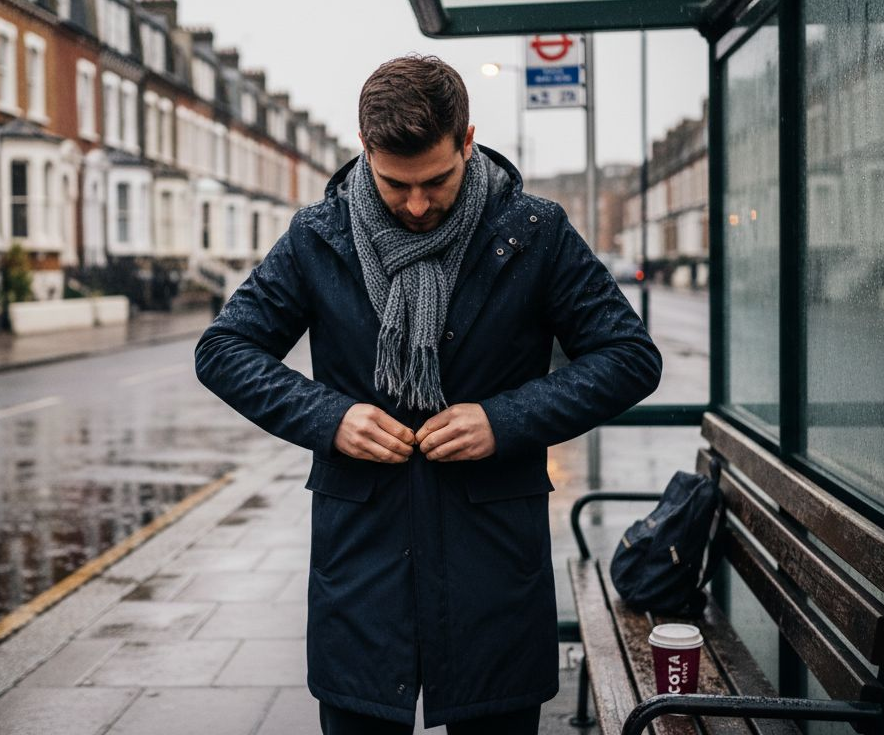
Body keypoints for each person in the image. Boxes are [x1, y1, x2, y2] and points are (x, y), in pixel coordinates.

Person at [195, 55, 661, 734]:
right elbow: (224, 349)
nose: (417, 205)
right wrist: (331, 417)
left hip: (491, 562)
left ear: (467, 141)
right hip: (362, 561)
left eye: (437, 181)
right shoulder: (319, 235)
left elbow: (629, 357)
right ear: (364, 149)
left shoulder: (534, 232)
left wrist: (505, 419)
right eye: (395, 184)